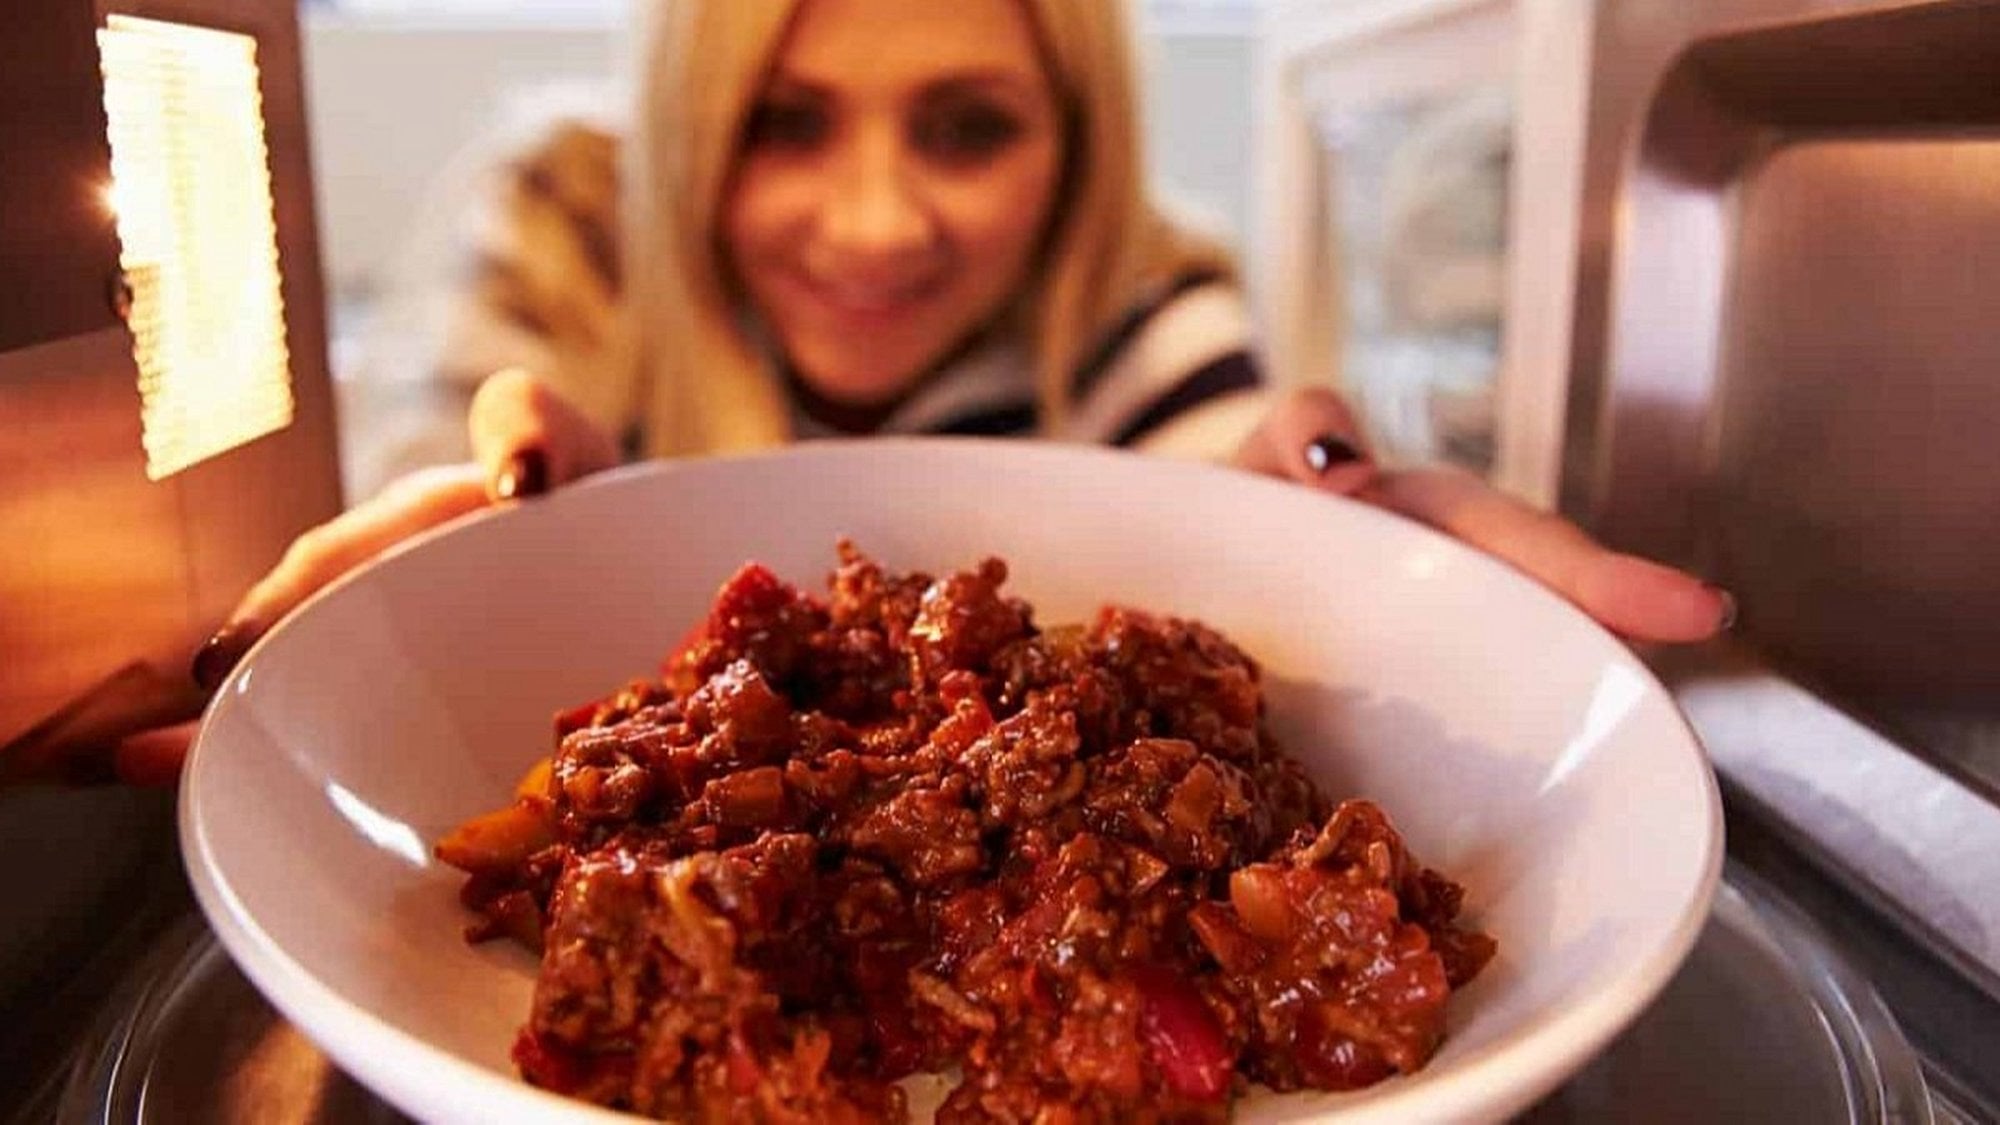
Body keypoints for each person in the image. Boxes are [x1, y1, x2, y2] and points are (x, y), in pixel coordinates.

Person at [114, 0, 1728, 784]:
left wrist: (1350, 570)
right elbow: (428, 487)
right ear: (687, 126)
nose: (877, 223)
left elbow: (1220, 504)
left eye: (967, 129)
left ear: (1075, 143)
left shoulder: (1143, 299)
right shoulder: (568, 219)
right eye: (785, 123)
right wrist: (477, 557)